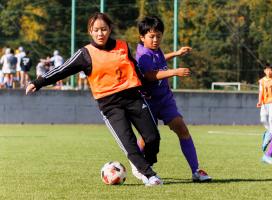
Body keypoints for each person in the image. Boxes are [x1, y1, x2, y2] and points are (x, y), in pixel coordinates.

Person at [26, 12, 162, 186]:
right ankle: (149, 175)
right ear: (90, 31)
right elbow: (62, 69)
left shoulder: (122, 46)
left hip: (133, 98)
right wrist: (38, 82)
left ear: (110, 29)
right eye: (96, 30)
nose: (100, 33)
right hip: (110, 105)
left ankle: (144, 165)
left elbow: (134, 68)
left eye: (104, 29)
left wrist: (144, 87)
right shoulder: (85, 53)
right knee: (128, 143)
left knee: (153, 138)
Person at [134, 15, 211, 182]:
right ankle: (137, 163)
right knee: (147, 137)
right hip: (148, 100)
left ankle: (196, 171)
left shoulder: (155, 50)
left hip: (165, 99)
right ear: (142, 37)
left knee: (182, 130)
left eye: (159, 36)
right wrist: (175, 72)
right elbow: (150, 75)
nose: (155, 40)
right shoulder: (142, 55)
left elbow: (160, 60)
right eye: (151, 36)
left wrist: (176, 53)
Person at [256, 63, 272, 152]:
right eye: (267, 70)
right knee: (263, 119)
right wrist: (259, 101)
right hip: (265, 103)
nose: (269, 72)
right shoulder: (262, 81)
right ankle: (268, 132)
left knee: (271, 118)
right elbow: (261, 91)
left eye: (270, 70)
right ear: (264, 71)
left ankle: (269, 136)